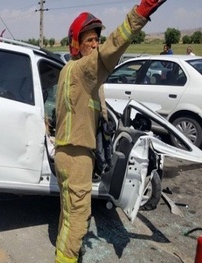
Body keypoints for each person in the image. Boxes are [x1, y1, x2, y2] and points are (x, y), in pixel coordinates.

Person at [53, 1, 166, 262]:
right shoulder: (82, 70)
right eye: (89, 39)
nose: (95, 44)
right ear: (76, 44)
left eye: (96, 39)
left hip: (67, 153)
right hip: (76, 155)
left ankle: (63, 253)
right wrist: (141, 13)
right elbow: (113, 46)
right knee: (79, 220)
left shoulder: (68, 73)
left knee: (69, 215)